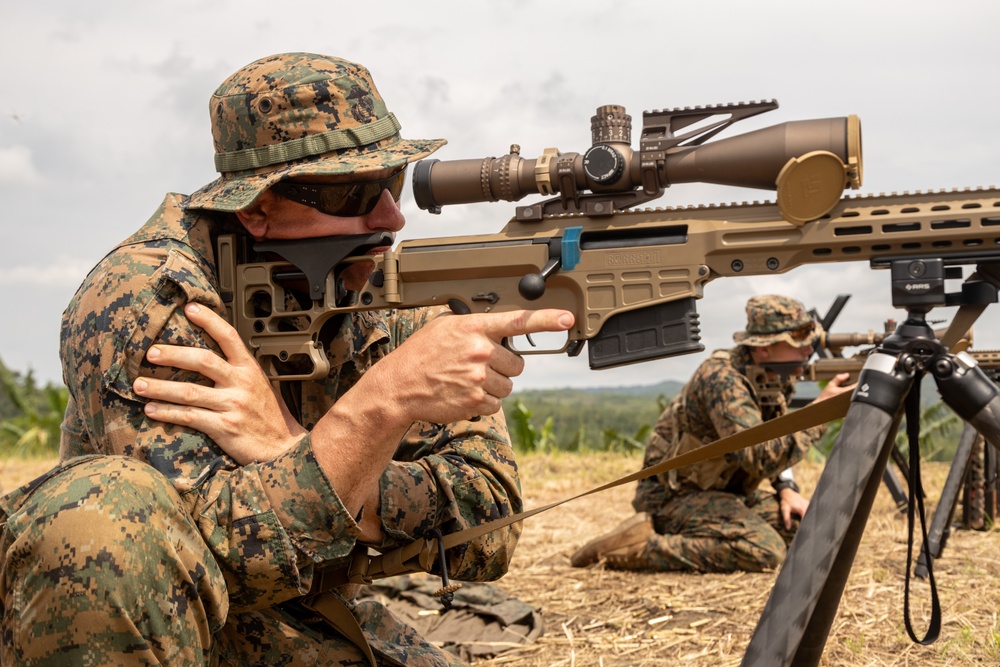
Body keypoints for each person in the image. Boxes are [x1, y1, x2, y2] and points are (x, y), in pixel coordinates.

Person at [0, 53, 573, 666]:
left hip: (302, 619)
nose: (389, 218)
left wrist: (291, 446)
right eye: (352, 192)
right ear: (256, 208)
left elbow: (488, 527)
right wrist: (378, 409)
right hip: (157, 631)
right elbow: (207, 558)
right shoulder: (151, 299)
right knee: (103, 507)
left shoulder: (380, 282)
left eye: (394, 183)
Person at [570, 294, 852, 573]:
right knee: (764, 550)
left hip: (724, 493)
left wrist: (786, 489)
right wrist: (820, 413)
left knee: (809, 530)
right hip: (674, 497)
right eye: (797, 343)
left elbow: (773, 432)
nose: (808, 350)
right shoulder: (724, 380)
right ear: (764, 348)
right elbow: (759, 457)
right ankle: (641, 545)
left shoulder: (772, 374)